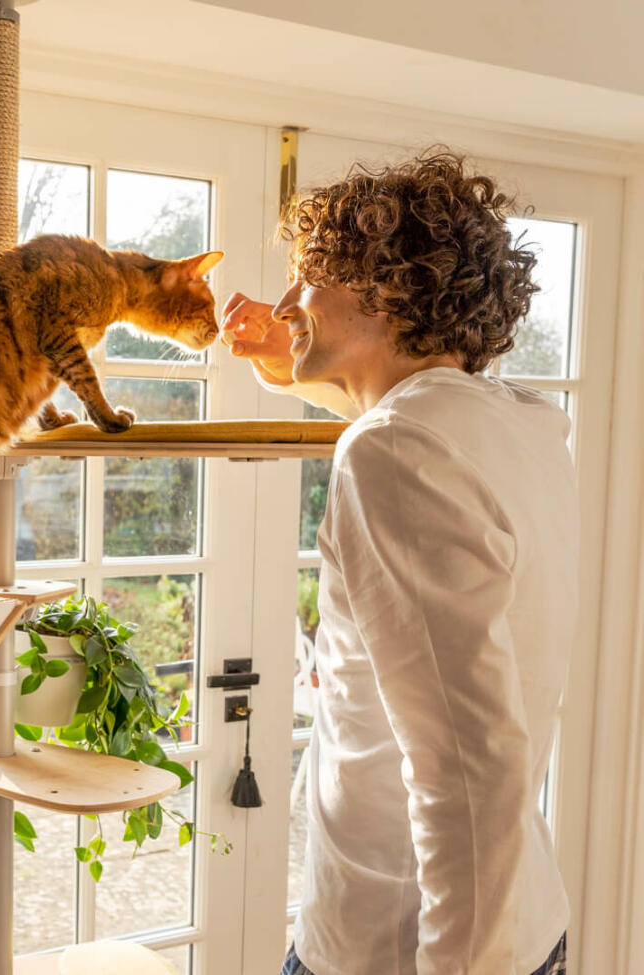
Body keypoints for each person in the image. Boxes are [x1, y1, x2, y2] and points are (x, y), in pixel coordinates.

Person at [223, 151, 574, 975]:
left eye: (306, 279)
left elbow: (469, 766)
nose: (284, 302)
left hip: (403, 944)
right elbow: (406, 412)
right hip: (519, 920)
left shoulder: (393, 452)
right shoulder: (515, 422)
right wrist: (303, 360)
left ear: (382, 291)